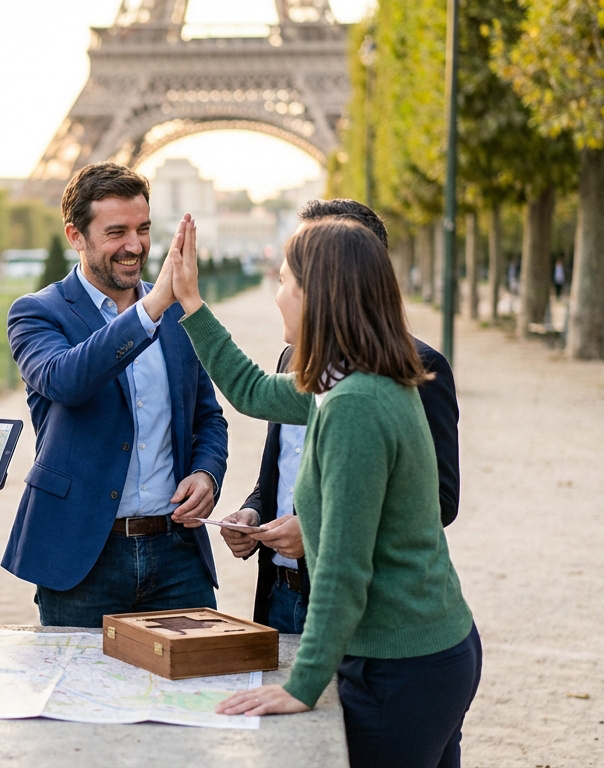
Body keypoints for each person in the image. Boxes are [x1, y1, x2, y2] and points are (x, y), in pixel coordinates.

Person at [171, 216, 480, 767]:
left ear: (320, 296)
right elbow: (250, 389)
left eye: (286, 283)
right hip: (420, 650)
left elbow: (341, 569)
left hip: (400, 664)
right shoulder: (350, 379)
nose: (277, 297)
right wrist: (191, 302)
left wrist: (302, 685)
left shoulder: (354, 404)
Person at [217, 199, 460, 634]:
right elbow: (283, 468)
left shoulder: (418, 368)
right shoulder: (292, 355)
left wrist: (314, 531)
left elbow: (437, 502)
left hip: (360, 607)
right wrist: (254, 511)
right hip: (278, 594)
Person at [4, 162, 229, 628]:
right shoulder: (36, 313)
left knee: (185, 697)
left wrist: (206, 474)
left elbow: (208, 417)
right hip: (83, 557)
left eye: (143, 229)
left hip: (177, 555)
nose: (135, 246)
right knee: (74, 698)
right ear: (76, 235)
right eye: (117, 232)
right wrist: (151, 309)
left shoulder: (176, 314)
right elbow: (67, 380)